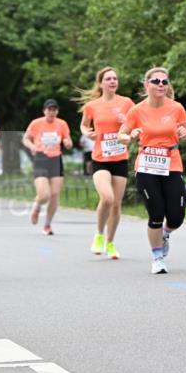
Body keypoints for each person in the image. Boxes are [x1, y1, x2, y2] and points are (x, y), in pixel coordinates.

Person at [118, 67, 186, 274]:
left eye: (164, 82)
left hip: (172, 163)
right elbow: (121, 136)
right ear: (146, 84)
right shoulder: (137, 110)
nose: (161, 85)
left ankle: (165, 234)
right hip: (147, 165)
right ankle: (157, 258)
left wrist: (184, 132)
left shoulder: (176, 108)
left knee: (176, 217)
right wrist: (130, 136)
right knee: (156, 213)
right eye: (156, 81)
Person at [78, 67, 134, 259]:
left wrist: (126, 121)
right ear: (101, 83)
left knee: (116, 205)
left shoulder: (126, 103)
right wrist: (87, 133)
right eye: (108, 78)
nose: (112, 81)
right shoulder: (92, 106)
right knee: (107, 198)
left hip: (120, 158)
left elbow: (136, 124)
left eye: (115, 78)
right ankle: (99, 234)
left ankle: (110, 242)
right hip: (100, 158)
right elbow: (84, 125)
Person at [22, 99, 73, 235]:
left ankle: (47, 225)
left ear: (57, 111)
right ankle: (37, 206)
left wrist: (67, 143)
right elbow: (26, 138)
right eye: (49, 109)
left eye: (54, 110)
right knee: (44, 195)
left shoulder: (62, 124)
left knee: (55, 194)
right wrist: (32, 146)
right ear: (44, 111)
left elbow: (68, 140)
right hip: (41, 158)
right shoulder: (36, 123)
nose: (52, 112)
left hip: (56, 159)